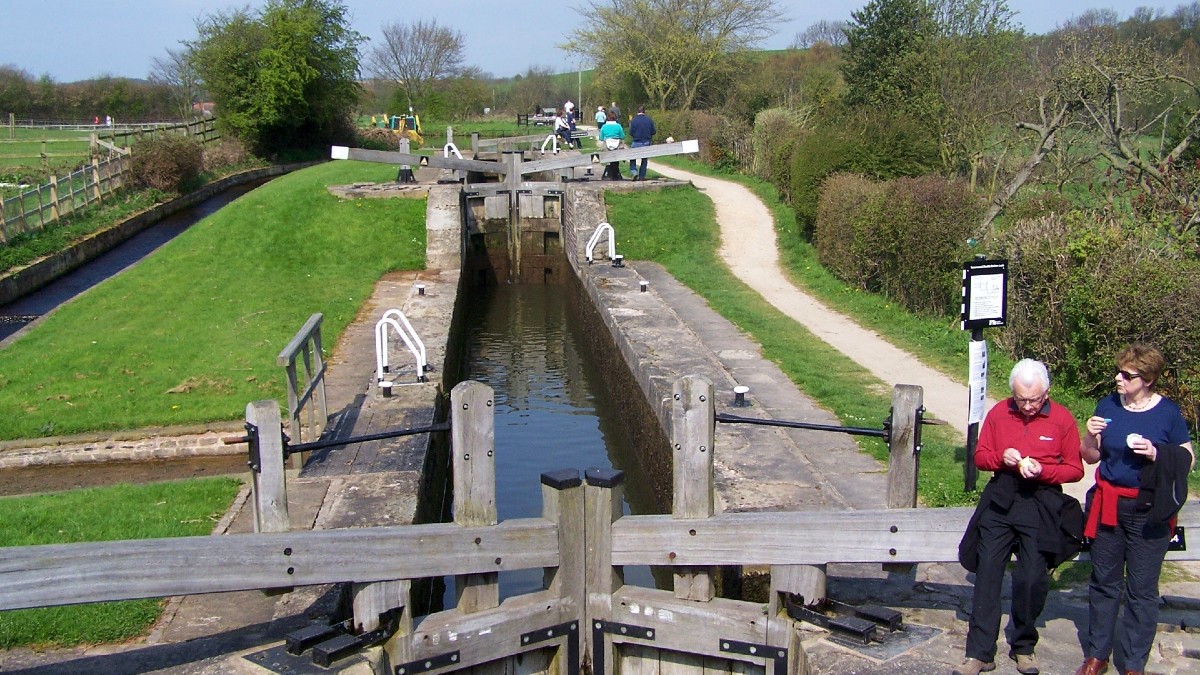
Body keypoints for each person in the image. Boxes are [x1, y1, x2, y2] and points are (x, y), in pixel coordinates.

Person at [955, 359, 1085, 675]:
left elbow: (1075, 469)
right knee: (987, 575)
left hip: (1041, 501)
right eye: (1021, 399)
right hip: (1002, 498)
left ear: (1047, 393)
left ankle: (1024, 646)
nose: (1027, 406)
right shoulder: (1000, 412)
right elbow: (980, 456)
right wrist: (1002, 457)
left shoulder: (1062, 419)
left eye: (1034, 400)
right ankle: (980, 653)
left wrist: (1045, 470)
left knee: (1031, 578)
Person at [1074, 345, 1193, 675]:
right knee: (1104, 582)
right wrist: (1090, 435)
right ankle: (1097, 655)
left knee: (1141, 590)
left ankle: (1134, 664)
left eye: (1127, 375)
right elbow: (1090, 456)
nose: (1118, 378)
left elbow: (1188, 459)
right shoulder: (1108, 405)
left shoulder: (1167, 414)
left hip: (1149, 509)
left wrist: (1156, 453)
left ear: (1149, 379)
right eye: (1119, 372)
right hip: (1108, 505)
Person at [627, 105, 655, 180]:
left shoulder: (633, 121)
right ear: (644, 111)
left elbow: (630, 132)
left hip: (636, 142)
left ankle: (634, 172)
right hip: (646, 142)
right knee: (644, 159)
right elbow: (653, 132)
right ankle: (642, 176)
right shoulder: (649, 120)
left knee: (632, 158)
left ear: (637, 112)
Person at [598, 112, 625, 180]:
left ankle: (609, 174)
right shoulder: (618, 126)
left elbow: (601, 138)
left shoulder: (604, 126)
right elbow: (622, 136)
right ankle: (616, 174)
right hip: (617, 145)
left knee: (608, 158)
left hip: (607, 145)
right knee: (616, 159)